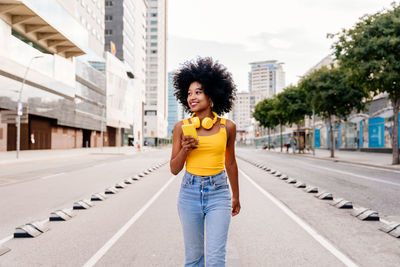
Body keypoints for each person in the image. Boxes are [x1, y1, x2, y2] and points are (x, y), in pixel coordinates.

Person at [170, 57, 240, 267]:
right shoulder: (181, 127)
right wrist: (185, 149)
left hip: (219, 192)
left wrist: (235, 196)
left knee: (216, 258)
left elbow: (231, 163)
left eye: (198, 92)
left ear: (212, 95)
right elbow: (174, 169)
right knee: (194, 259)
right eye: (189, 93)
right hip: (189, 192)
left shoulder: (228, 127)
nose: (192, 97)